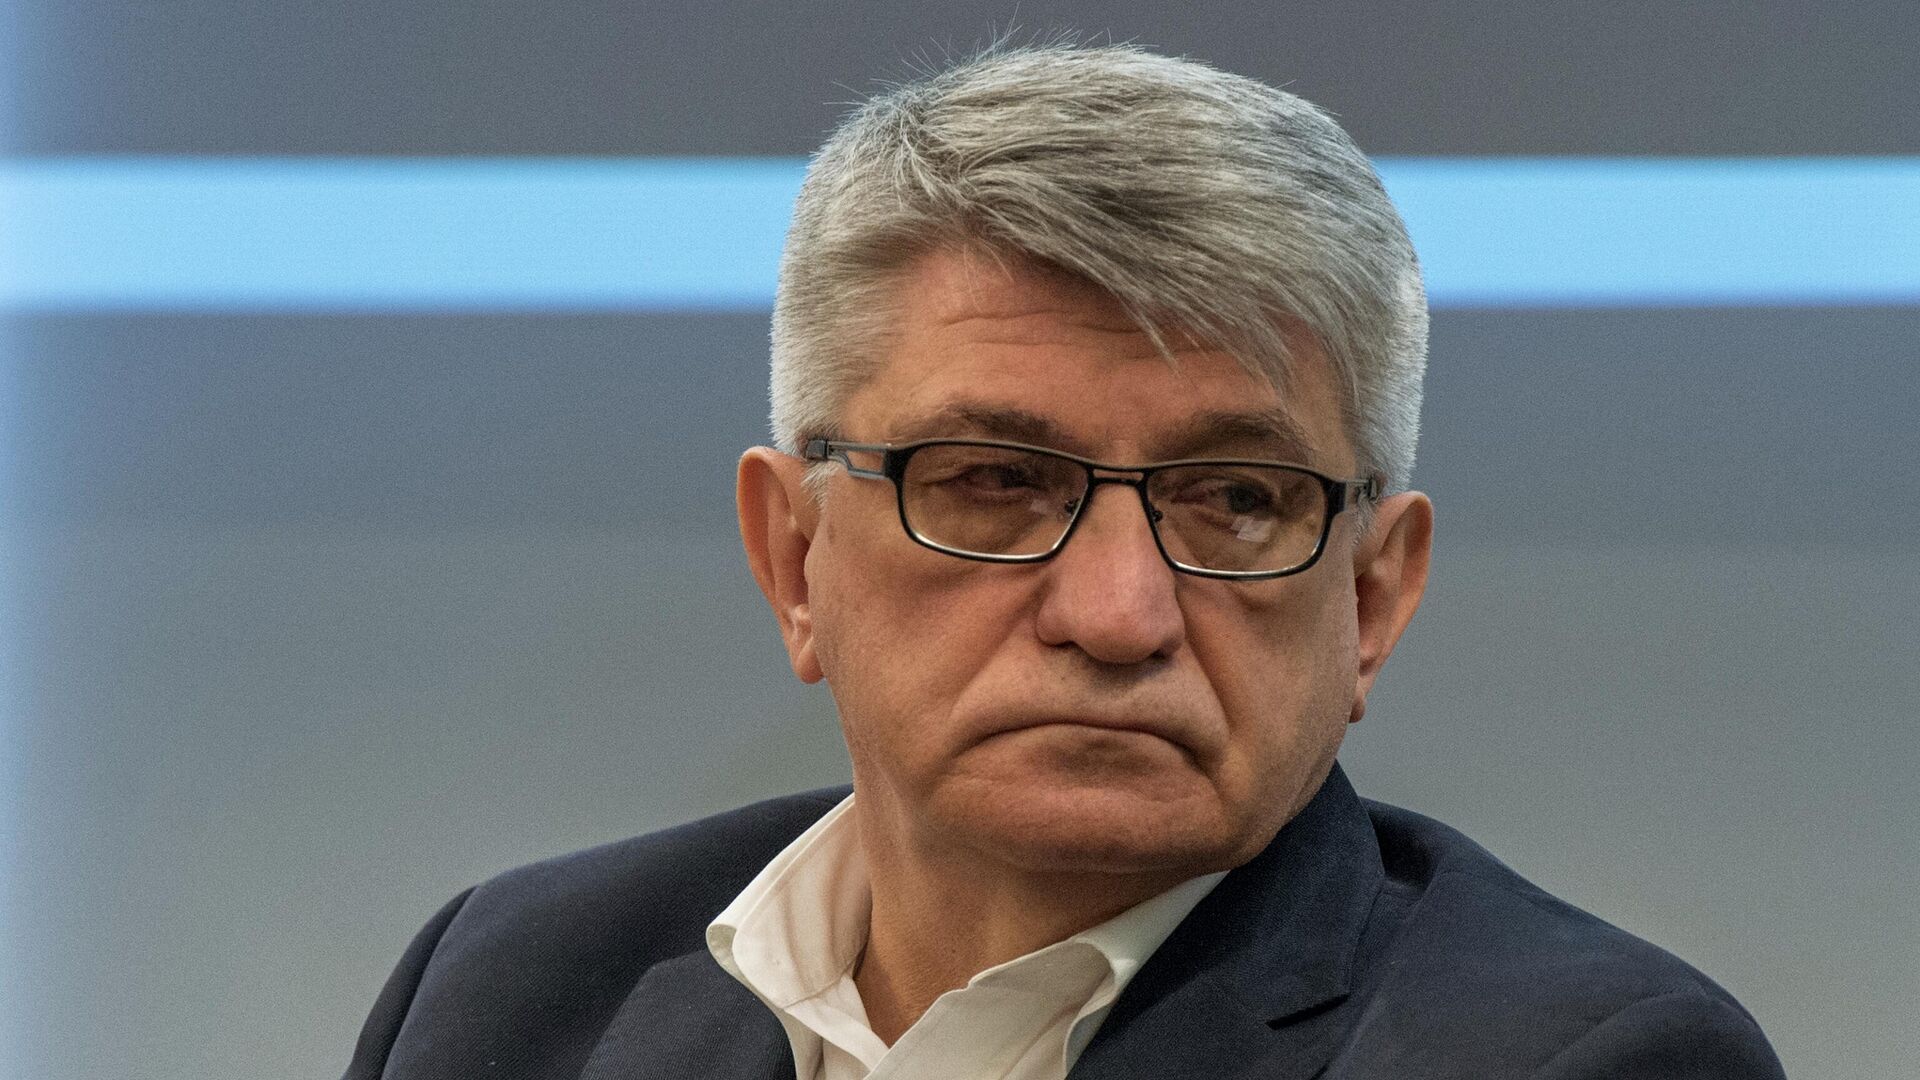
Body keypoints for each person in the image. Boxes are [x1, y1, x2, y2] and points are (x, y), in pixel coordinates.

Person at [344, 44, 1785, 1080]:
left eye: (1237, 499)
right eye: (992, 482)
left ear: (1371, 597)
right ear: (794, 557)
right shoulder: (508, 992)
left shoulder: (1582, 1058)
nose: (1116, 614)